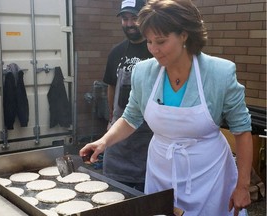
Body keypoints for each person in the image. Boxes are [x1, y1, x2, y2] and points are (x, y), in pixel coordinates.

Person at [80, 0, 253, 215]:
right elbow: (130, 118)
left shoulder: (220, 73)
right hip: (161, 171)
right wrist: (103, 141)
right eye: (150, 41)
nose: (153, 49)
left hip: (209, 174)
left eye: (161, 41)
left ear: (184, 35)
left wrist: (242, 186)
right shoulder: (144, 72)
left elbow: (242, 130)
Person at [101, 0, 153, 192]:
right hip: (119, 134)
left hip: (148, 135)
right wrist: (111, 118)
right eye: (125, 18)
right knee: (114, 192)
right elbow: (111, 86)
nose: (129, 24)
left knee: (145, 197)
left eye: (134, 18)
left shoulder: (155, 50)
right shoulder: (116, 52)